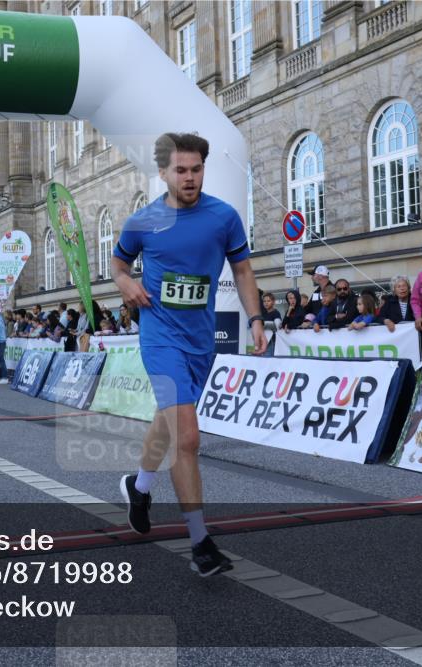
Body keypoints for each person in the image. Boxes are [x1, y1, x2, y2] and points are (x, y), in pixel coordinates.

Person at [111, 132, 266, 577]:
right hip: (160, 337)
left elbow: (242, 269)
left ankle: (139, 488)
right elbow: (118, 264)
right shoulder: (143, 221)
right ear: (163, 173)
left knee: (169, 420)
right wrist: (126, 285)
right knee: (188, 437)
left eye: (196, 169)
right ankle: (200, 543)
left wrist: (256, 318)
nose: (190, 177)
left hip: (201, 339)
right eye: (181, 170)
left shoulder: (224, 217)